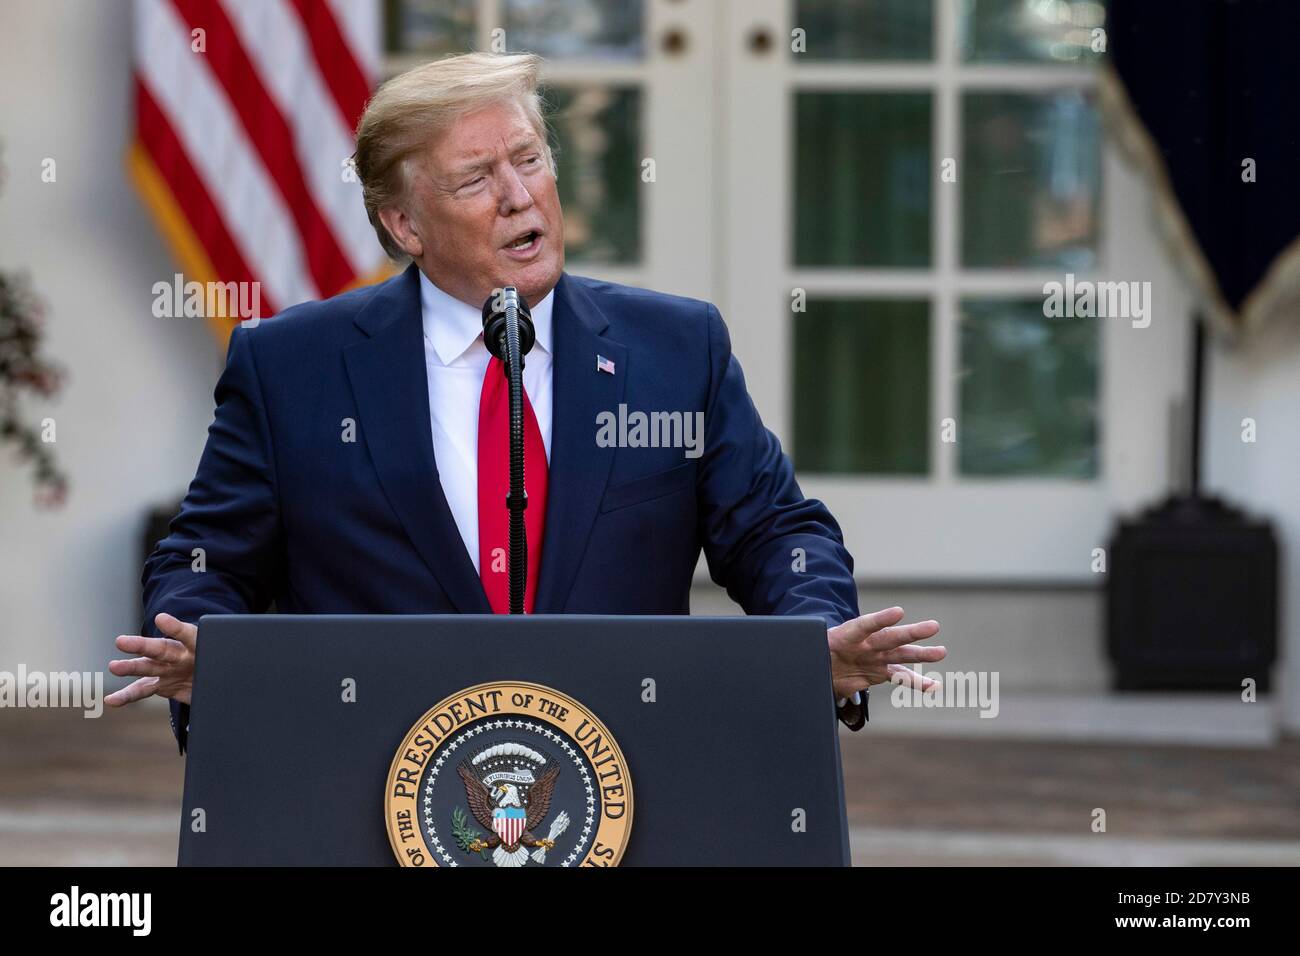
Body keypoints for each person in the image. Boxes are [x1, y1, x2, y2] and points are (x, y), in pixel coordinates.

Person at [106, 52, 945, 753]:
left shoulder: (675, 349)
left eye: (530, 159)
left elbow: (773, 531)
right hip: (369, 772)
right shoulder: (291, 365)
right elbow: (206, 555)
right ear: (404, 224)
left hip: (625, 771)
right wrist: (203, 646)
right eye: (475, 178)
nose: (519, 195)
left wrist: (811, 636)